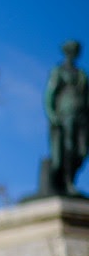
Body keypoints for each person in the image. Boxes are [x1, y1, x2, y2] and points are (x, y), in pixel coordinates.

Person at [44, 39, 89, 195]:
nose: (74, 53)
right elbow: (49, 95)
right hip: (66, 114)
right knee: (68, 147)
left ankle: (71, 179)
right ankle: (68, 182)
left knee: (82, 151)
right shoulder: (59, 71)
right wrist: (51, 114)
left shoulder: (82, 74)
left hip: (82, 118)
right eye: (71, 50)